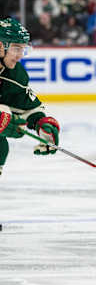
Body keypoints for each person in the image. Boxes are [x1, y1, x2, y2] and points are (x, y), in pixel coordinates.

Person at [0, 18, 60, 177]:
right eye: (16, 48)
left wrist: (41, 125)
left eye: (23, 49)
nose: (20, 55)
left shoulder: (14, 76)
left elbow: (28, 107)